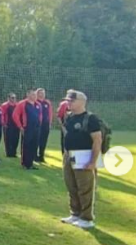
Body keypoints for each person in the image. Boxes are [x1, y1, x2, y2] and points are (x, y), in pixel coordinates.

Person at [60, 90, 102, 230]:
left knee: (85, 188)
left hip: (84, 156)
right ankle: (75, 214)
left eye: (71, 100)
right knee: (71, 185)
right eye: (68, 100)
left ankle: (87, 218)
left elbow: (97, 140)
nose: (68, 103)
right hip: (69, 155)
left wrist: (92, 161)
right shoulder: (69, 117)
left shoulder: (91, 118)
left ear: (82, 102)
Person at [13, 89, 43, 170]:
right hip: (27, 127)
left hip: (36, 128)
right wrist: (20, 127)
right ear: (28, 95)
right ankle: (25, 163)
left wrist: (39, 123)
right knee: (26, 145)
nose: (34, 96)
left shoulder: (38, 104)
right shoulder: (22, 104)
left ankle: (30, 163)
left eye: (35, 94)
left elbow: (40, 115)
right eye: (32, 94)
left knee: (34, 145)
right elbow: (15, 115)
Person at [36, 88, 54, 164]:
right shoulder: (35, 102)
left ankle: (41, 156)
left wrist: (49, 123)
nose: (42, 94)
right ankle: (34, 156)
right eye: (40, 93)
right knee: (36, 140)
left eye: (43, 93)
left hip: (45, 125)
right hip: (37, 124)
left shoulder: (47, 103)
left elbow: (50, 113)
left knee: (44, 140)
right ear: (37, 94)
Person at [2, 93, 21, 158]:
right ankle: (9, 153)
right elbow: (2, 115)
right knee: (8, 139)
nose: (13, 99)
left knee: (16, 138)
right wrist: (4, 123)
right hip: (8, 125)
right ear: (9, 98)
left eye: (14, 98)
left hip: (16, 125)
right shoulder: (5, 105)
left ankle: (14, 152)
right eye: (12, 97)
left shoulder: (17, 105)